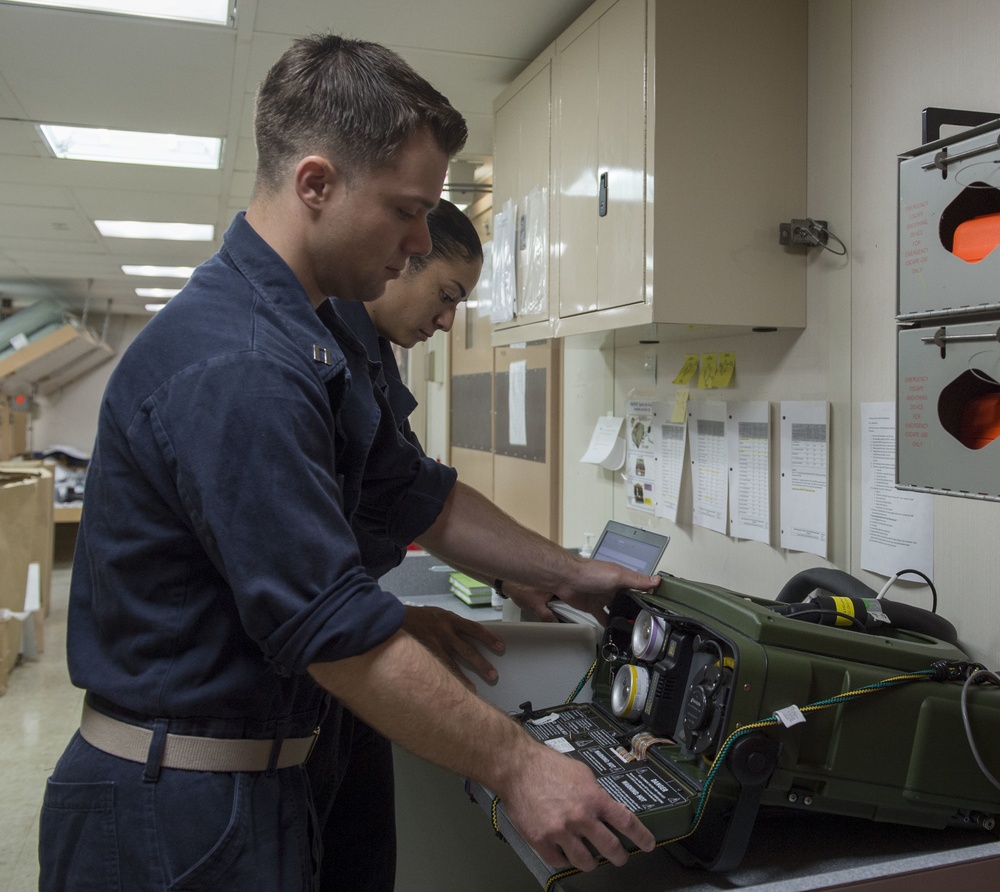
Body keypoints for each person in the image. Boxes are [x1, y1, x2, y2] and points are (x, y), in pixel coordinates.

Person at [38, 34, 657, 891]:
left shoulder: (313, 334)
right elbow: (326, 625)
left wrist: (569, 573)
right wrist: (519, 765)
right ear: (316, 184)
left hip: (254, 776)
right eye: (405, 209)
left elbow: (412, 495)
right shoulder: (244, 363)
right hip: (175, 806)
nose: (416, 240)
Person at [318, 199, 575, 891]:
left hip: (327, 686)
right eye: (447, 296)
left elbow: (412, 496)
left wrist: (524, 574)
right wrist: (518, 764)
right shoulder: (302, 356)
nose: (447, 321)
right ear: (400, 261)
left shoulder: (369, 362)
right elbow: (307, 596)